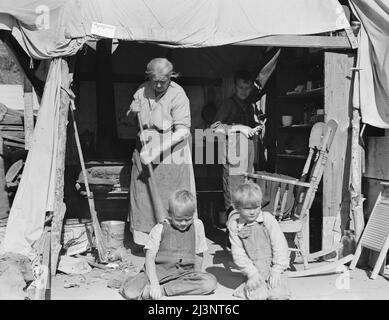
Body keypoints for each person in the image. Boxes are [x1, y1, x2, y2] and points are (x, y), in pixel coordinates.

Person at [127, 58, 196, 246]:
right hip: (144, 152)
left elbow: (183, 131)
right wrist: (132, 111)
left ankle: (171, 241)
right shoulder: (142, 90)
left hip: (170, 153)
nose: (158, 85)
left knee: (170, 199)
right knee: (143, 197)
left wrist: (156, 150)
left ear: (171, 77)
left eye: (163, 81)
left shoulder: (178, 94)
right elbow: (129, 119)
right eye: (154, 80)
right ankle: (146, 243)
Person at [120, 189, 217, 299]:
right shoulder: (159, 229)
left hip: (183, 274)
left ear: (193, 214)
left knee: (209, 283)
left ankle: (163, 290)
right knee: (130, 292)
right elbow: (149, 258)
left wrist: (196, 276)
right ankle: (136, 281)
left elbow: (199, 254)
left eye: (188, 219)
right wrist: (154, 283)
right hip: (158, 273)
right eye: (179, 220)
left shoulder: (198, 225)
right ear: (170, 213)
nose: (184, 223)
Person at [211, 70, 265, 216]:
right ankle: (231, 233)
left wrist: (256, 128)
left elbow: (249, 129)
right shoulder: (228, 104)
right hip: (233, 158)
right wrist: (239, 128)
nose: (244, 91)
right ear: (235, 86)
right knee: (234, 196)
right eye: (241, 87)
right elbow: (214, 129)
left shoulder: (249, 106)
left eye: (247, 88)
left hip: (247, 158)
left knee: (246, 194)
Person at [227, 181, 290, 300]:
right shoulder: (234, 225)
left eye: (256, 207)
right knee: (259, 296)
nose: (252, 212)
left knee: (279, 295)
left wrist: (277, 269)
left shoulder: (268, 219)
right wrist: (251, 273)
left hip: (272, 269)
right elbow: (238, 253)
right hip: (254, 272)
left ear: (260, 205)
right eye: (247, 208)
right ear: (237, 208)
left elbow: (280, 245)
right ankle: (245, 288)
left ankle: (273, 284)